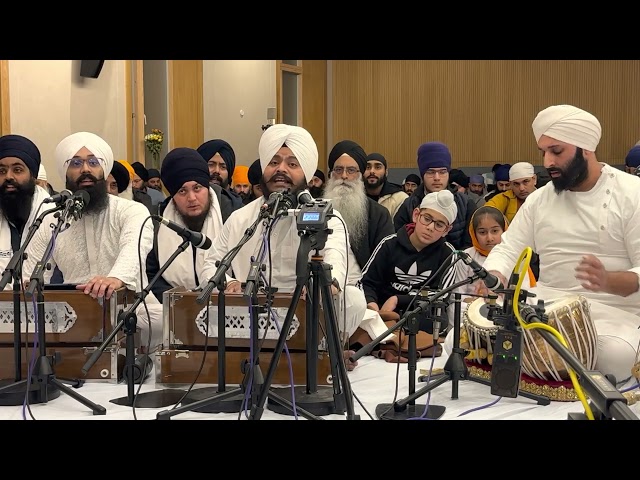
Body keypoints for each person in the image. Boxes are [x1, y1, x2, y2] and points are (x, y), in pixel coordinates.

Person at [482, 104, 640, 385]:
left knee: (616, 357)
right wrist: (493, 275)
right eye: (543, 152)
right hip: (544, 303)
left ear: (586, 148)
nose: (547, 162)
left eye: (557, 151)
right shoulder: (539, 199)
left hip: (612, 311)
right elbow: (509, 247)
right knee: (473, 329)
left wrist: (608, 280)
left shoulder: (631, 194)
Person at [199, 124, 377, 370]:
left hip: (307, 312)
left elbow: (335, 262)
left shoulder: (328, 216)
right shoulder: (241, 218)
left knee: (353, 299)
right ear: (264, 168)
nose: (281, 169)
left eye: (292, 164)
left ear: (306, 173)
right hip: (251, 313)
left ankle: (325, 350)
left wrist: (322, 284)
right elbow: (211, 263)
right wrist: (228, 282)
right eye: (273, 162)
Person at [20, 132, 160, 350]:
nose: (85, 169)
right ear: (65, 173)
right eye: (76, 163)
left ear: (103, 170)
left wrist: (115, 278)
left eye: (93, 162)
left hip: (133, 310)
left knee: (163, 323)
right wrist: (26, 284)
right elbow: (30, 275)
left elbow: (135, 248)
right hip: (74, 317)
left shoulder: (131, 211)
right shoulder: (52, 219)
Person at [360, 190, 458, 339]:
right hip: (382, 313)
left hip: (420, 316)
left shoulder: (448, 254)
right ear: (416, 215)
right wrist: (371, 305)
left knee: (436, 317)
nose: (430, 227)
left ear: (447, 230)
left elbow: (441, 297)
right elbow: (367, 282)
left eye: (439, 224)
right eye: (427, 219)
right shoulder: (389, 244)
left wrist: (398, 299)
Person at [146, 147, 224, 304]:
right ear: (173, 196)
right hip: (174, 307)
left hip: (223, 304)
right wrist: (182, 301)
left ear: (207, 187)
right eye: (182, 191)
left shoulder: (230, 211)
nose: (192, 198)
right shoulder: (158, 220)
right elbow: (152, 274)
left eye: (197, 188)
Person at [326, 141, 395, 274]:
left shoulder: (379, 214)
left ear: (360, 175)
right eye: (338, 170)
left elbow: (385, 260)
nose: (344, 176)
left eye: (351, 170)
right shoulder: (316, 209)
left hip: (363, 285)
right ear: (331, 173)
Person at [393, 142, 476, 251]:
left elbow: (470, 246)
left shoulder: (466, 204)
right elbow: (399, 244)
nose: (437, 178)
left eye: (442, 172)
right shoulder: (409, 205)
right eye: (431, 172)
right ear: (423, 175)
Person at [0, 134, 51, 289]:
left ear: (33, 176)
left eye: (17, 170)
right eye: (1, 171)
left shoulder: (53, 216)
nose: (9, 177)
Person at [197, 139, 244, 217]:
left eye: (223, 167)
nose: (217, 171)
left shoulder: (239, 209)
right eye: (211, 165)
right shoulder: (189, 203)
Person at [364, 152, 408, 219]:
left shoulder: (400, 198)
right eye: (368, 167)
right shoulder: (354, 197)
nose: (372, 171)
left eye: (377, 167)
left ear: (386, 172)